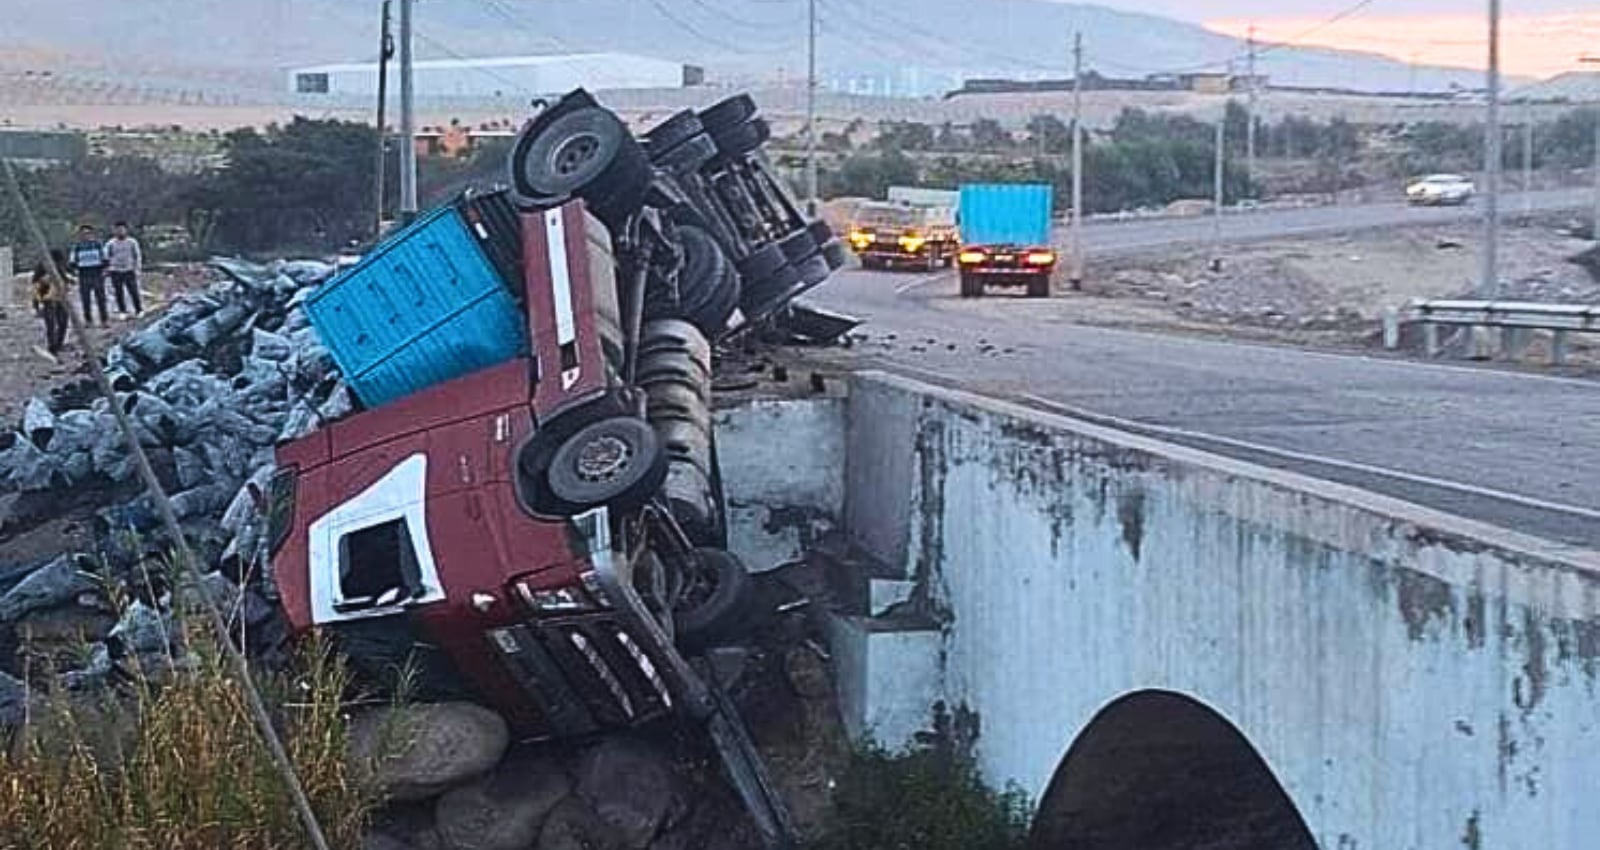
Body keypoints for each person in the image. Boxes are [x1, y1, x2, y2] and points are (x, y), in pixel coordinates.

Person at [31, 250, 71, 363]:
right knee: (51, 323)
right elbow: (35, 287)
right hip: (48, 299)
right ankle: (52, 346)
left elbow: (66, 280)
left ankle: (58, 344)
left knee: (63, 322)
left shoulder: (60, 268)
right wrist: (36, 305)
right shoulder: (42, 269)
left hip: (60, 298)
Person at [67, 223, 109, 327]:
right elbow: (72, 262)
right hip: (83, 274)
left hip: (97, 273)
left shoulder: (98, 245)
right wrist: (74, 273)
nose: (86, 235)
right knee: (85, 299)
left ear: (92, 234)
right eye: (83, 233)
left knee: (101, 298)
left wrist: (105, 270)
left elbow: (105, 258)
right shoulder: (77, 247)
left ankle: (104, 320)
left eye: (88, 233)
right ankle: (88, 320)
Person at [104, 221, 143, 320]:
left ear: (126, 230)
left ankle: (139, 310)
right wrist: (108, 268)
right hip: (116, 271)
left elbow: (137, 256)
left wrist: (137, 269)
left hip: (129, 270)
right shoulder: (110, 243)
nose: (120, 231)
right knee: (118, 292)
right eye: (117, 229)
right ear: (114, 231)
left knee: (133, 291)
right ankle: (122, 311)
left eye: (122, 229)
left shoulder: (132, 242)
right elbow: (105, 256)